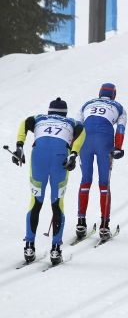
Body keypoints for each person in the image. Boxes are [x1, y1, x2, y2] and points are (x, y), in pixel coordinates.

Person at [12, 97, 85, 265]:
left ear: (49, 111)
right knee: (57, 203)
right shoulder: (72, 122)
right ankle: (55, 250)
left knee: (35, 202)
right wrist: (73, 154)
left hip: (39, 157)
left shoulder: (39, 118)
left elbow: (24, 122)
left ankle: (29, 247)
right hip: (60, 158)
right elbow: (82, 133)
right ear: (65, 112)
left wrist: (19, 147)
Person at [76, 84, 127, 241]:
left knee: (85, 181)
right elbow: (120, 128)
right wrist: (118, 147)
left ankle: (81, 222)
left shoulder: (87, 103)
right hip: (104, 140)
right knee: (104, 184)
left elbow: (77, 125)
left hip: (85, 139)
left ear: (99, 94)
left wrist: (72, 149)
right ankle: (104, 225)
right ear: (113, 95)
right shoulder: (119, 107)